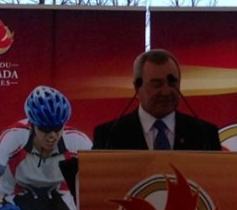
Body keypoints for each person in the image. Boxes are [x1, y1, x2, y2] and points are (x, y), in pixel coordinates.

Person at [92, 49, 222, 151]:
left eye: (172, 82)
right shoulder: (110, 135)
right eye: (157, 84)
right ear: (137, 86)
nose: (166, 92)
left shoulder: (204, 134)